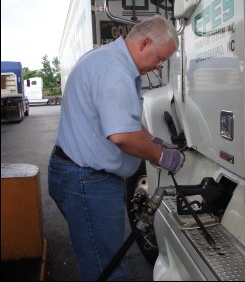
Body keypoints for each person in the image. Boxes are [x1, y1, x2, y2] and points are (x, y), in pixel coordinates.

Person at [48, 15, 184, 281]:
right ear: (145, 42)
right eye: (159, 58)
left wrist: (153, 141)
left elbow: (127, 122)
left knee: (100, 260)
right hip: (88, 183)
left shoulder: (108, 60)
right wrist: (163, 157)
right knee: (106, 270)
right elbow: (122, 135)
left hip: (78, 177)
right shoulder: (115, 70)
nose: (158, 67)